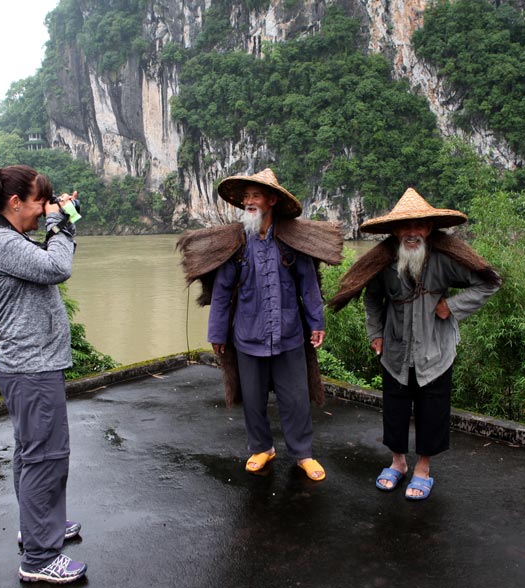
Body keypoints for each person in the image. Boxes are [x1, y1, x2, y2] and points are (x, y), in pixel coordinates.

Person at [327, 188, 501, 500]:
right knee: (394, 408)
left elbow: (489, 282)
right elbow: (373, 300)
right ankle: (398, 463)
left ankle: (422, 469)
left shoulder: (446, 259)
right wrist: (375, 334)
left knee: (431, 410)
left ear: (430, 228)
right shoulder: (384, 261)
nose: (412, 232)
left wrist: (453, 307)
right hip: (395, 350)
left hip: (436, 351)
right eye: (405, 227)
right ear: (395, 230)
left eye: (419, 226)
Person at [0, 164, 87, 584]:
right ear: (15, 202)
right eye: (39, 201)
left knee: (32, 454)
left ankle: (40, 527)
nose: (43, 209)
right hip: (31, 367)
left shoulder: (6, 239)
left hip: (28, 366)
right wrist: (60, 225)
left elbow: (47, 259)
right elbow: (57, 268)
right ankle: (39, 559)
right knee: (45, 459)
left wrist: (59, 220)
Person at [177, 168, 343, 481]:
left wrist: (316, 322)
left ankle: (303, 453)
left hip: (289, 333)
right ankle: (262, 448)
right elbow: (223, 293)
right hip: (247, 335)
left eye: (256, 196)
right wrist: (216, 334)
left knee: (295, 398)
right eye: (246, 197)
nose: (249, 201)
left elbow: (308, 286)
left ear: (271, 200)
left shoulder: (290, 242)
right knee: (252, 398)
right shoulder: (236, 245)